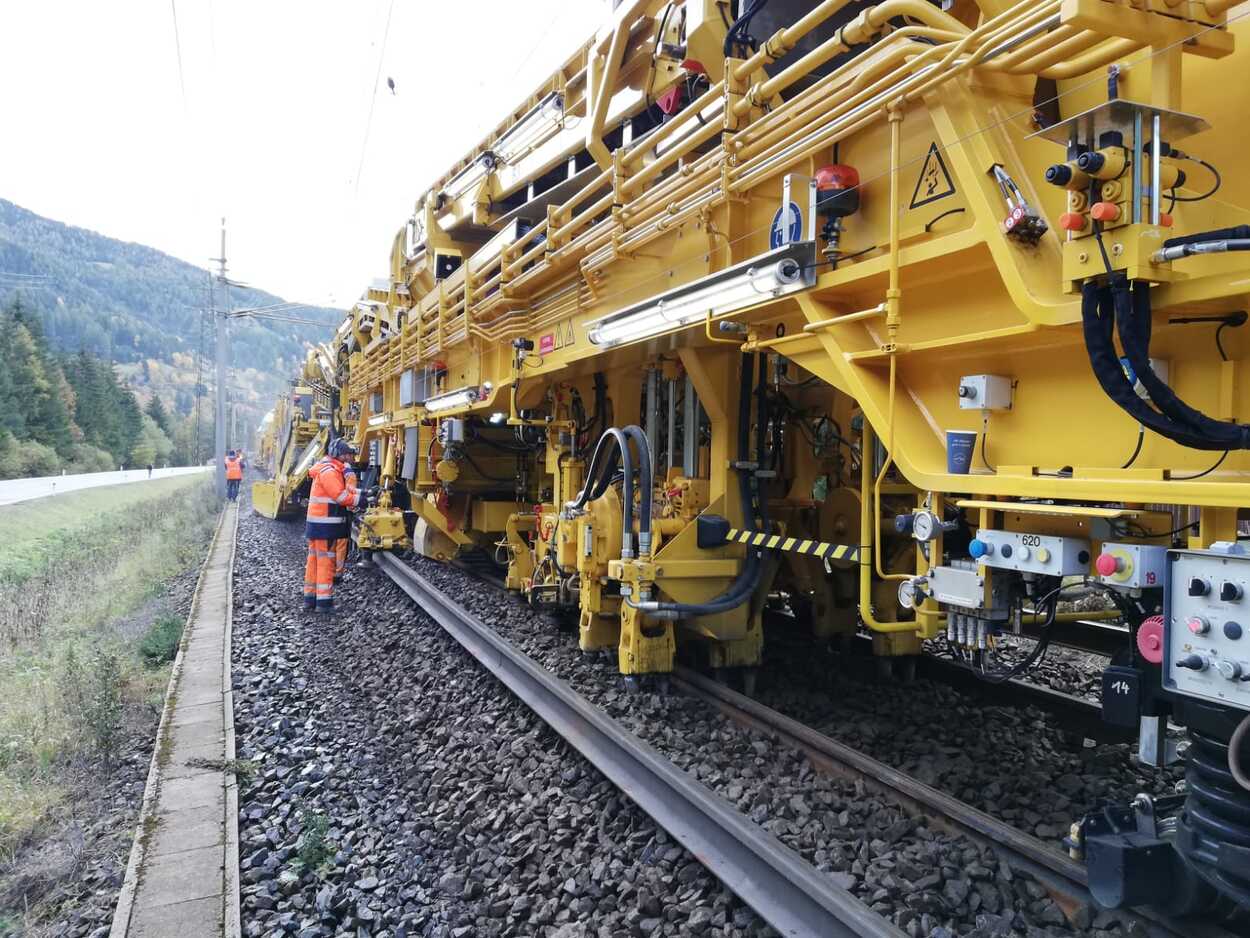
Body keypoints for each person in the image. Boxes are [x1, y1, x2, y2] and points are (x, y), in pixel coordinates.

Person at [304, 439, 365, 613]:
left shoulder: (327, 468)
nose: (349, 458)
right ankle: (324, 602)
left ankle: (310, 598)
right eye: (347, 454)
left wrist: (365, 493)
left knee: (314, 560)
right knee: (325, 562)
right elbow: (339, 495)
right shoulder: (330, 472)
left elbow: (343, 491)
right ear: (339, 454)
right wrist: (362, 501)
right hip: (325, 525)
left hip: (318, 524)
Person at [334, 459, 360, 582]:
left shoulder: (329, 467)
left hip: (332, 511)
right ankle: (337, 573)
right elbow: (350, 490)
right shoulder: (347, 469)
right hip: (343, 510)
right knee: (341, 542)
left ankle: (332, 571)